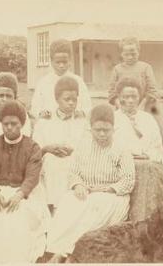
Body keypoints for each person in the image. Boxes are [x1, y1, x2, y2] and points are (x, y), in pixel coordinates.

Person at [46, 104, 135, 263]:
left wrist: (106, 189)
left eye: (106, 130)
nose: (102, 134)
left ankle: (70, 252)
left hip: (113, 197)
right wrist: (78, 185)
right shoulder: (83, 146)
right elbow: (73, 171)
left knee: (93, 207)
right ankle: (56, 250)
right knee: (68, 202)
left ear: (113, 129)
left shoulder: (121, 149)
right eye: (97, 130)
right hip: (86, 192)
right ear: (90, 129)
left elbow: (128, 180)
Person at [0, 100, 50, 263]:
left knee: (19, 215)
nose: (9, 127)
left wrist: (19, 195)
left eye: (14, 123)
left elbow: (32, 177)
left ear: (22, 124)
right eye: (6, 124)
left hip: (25, 192)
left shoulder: (32, 147)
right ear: (1, 124)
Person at [33, 76, 87, 212]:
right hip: (51, 162)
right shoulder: (45, 122)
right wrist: (49, 149)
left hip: (78, 162)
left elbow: (88, 146)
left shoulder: (82, 121)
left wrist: (74, 151)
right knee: (53, 162)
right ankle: (54, 208)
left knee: (69, 166)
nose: (71, 103)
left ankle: (68, 208)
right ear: (57, 99)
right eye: (67, 99)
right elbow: (35, 150)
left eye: (74, 100)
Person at [30, 39, 91, 119]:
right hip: (50, 124)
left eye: (65, 62)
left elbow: (88, 106)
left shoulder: (78, 81)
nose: (61, 65)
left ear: (70, 61)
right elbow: (35, 107)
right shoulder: (43, 83)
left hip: (73, 124)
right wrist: (40, 113)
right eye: (58, 62)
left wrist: (82, 113)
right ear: (51, 62)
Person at [114, 77, 163, 162]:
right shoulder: (113, 119)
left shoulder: (148, 119)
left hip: (145, 163)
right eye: (126, 97)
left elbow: (158, 148)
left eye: (134, 97)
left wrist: (148, 155)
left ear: (139, 97)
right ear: (119, 97)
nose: (130, 100)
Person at [108, 37, 160, 110]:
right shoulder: (117, 69)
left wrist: (141, 106)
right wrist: (120, 106)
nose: (130, 57)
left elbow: (152, 91)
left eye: (133, 54)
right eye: (126, 54)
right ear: (121, 54)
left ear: (138, 52)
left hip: (143, 108)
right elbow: (111, 92)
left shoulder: (146, 68)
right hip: (122, 109)